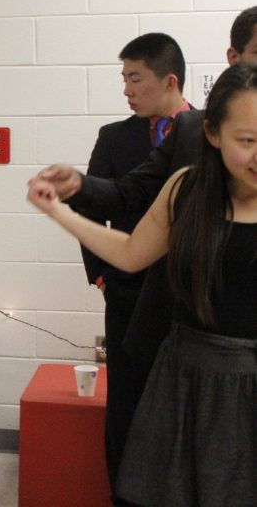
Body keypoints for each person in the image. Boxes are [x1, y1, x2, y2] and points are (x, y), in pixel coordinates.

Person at [28, 61, 257, 506]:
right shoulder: (186, 189)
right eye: (247, 141)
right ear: (213, 134)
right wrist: (60, 212)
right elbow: (132, 252)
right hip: (188, 376)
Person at [32, 6, 257, 372]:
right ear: (214, 134)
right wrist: (68, 199)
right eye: (246, 139)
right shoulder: (187, 168)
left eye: (135, 79)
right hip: (183, 341)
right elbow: (126, 205)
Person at [78, 32, 192, 497]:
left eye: (135, 79)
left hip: (189, 299)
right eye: (123, 78)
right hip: (127, 292)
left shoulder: (209, 132)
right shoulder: (114, 137)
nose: (126, 90)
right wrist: (104, 275)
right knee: (125, 406)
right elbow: (89, 204)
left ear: (168, 81)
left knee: (181, 409)